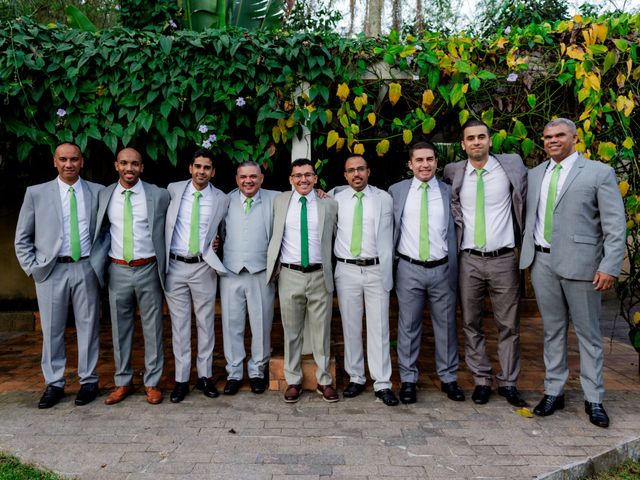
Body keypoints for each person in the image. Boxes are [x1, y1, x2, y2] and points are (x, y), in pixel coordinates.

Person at [520, 118, 626, 428]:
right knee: (552, 331)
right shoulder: (535, 174)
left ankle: (594, 398)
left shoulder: (598, 173)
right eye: (547, 136)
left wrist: (609, 265)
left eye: (559, 135)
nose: (552, 140)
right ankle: (554, 391)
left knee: (588, 334)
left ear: (575, 138)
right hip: (541, 263)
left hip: (583, 266)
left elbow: (614, 225)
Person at [443, 119, 527, 407]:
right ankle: (481, 380)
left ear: (490, 141)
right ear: (463, 145)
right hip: (468, 260)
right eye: (471, 138)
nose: (476, 142)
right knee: (470, 321)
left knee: (509, 324)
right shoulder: (453, 172)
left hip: (503, 258)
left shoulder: (511, 166)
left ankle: (509, 382)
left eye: (481, 137)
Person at [15, 142, 103, 408]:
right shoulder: (36, 193)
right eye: (63, 159)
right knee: (52, 329)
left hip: (86, 266)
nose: (68, 164)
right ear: (55, 162)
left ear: (82, 162)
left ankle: (88, 380)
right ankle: (54, 383)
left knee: (89, 327)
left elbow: (109, 230)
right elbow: (22, 237)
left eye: (74, 159)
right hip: (51, 270)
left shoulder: (97, 192)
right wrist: (33, 267)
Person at [92, 147, 170, 405]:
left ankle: (152, 382)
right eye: (124, 163)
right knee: (120, 328)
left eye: (135, 163)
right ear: (116, 165)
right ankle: (123, 381)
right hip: (118, 269)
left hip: (148, 267)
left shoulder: (158, 195)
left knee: (153, 329)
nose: (129, 168)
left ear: (142, 167)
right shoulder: (104, 195)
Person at [389, 142, 462, 404]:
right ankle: (408, 380)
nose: (425, 164)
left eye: (429, 159)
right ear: (410, 164)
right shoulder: (396, 191)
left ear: (436, 162)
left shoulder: (448, 191)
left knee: (446, 326)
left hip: (442, 267)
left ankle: (449, 378)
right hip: (408, 268)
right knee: (408, 327)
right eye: (419, 160)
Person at [266, 159, 339, 403]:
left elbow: (338, 235)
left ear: (315, 178)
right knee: (292, 331)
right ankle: (293, 380)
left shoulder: (328, 204)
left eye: (308, 175)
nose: (303, 179)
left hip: (320, 274)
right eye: (297, 175)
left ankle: (324, 381)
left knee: (321, 332)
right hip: (289, 274)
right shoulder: (279, 201)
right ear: (290, 179)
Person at [332, 155, 399, 406]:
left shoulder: (384, 199)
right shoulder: (335, 199)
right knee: (350, 326)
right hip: (347, 269)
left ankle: (382, 383)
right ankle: (356, 377)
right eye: (351, 170)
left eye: (360, 169)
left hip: (376, 269)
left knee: (379, 326)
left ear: (369, 171)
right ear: (345, 175)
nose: (356, 174)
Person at [165, 149, 228, 403]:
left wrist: (219, 242)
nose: (202, 171)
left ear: (213, 172)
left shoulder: (221, 198)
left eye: (207, 167)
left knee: (206, 323)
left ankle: (205, 376)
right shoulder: (172, 190)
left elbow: (224, 229)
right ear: (190, 168)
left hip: (203, 265)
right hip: (175, 266)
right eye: (198, 166)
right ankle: (181, 380)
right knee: (179, 326)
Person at [219, 161, 279, 396]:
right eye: (243, 177)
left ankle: (257, 371)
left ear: (261, 178)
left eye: (253, 176)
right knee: (231, 325)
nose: (248, 181)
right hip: (231, 272)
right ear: (236, 179)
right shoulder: (225, 200)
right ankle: (234, 373)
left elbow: (302, 192)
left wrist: (319, 191)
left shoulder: (275, 199)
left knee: (261, 324)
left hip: (260, 272)